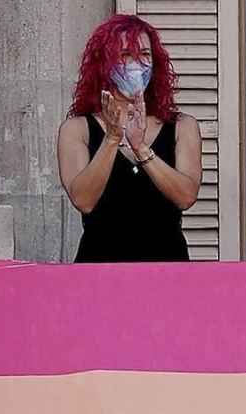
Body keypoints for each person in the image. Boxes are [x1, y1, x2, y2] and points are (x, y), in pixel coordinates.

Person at [57, 15, 202, 263]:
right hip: (99, 273)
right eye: (125, 55)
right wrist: (112, 138)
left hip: (167, 271)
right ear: (104, 64)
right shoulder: (76, 129)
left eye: (144, 54)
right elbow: (83, 199)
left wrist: (141, 148)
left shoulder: (183, 126)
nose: (136, 64)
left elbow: (186, 196)